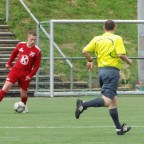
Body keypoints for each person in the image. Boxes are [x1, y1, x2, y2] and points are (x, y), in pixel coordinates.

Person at [75, 20, 132, 135]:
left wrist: (90, 60)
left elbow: (85, 51)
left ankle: (119, 128)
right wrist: (129, 61)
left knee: (113, 101)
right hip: (112, 72)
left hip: (102, 72)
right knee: (107, 101)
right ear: (114, 28)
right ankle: (83, 104)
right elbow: (121, 55)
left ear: (103, 28)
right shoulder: (117, 38)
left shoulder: (97, 39)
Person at [0, 31, 41, 113]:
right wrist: (9, 63)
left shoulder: (37, 51)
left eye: (34, 40)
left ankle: (24, 106)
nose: (33, 41)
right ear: (27, 38)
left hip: (26, 74)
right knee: (6, 87)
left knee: (23, 94)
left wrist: (30, 75)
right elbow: (14, 53)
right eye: (31, 39)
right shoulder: (20, 45)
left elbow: (37, 65)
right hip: (15, 70)